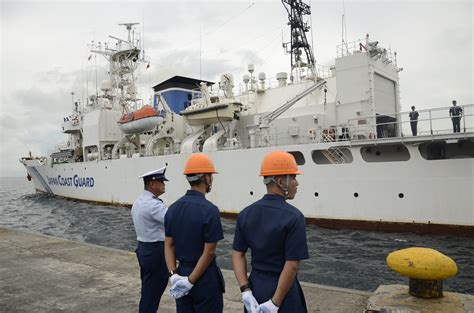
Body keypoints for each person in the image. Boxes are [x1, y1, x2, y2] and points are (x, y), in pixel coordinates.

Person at [232, 151, 309, 313]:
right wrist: (275, 303)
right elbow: (292, 265)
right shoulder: (294, 217)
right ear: (281, 182)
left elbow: (238, 254)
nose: (297, 183)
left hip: (255, 288)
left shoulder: (246, 213)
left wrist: (245, 290)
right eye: (293, 177)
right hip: (283, 291)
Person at [164, 153, 225, 313]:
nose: (211, 179)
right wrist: (191, 281)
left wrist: (174, 275)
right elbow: (209, 252)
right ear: (205, 177)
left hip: (182, 272)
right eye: (210, 176)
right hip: (204, 278)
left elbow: (169, 245)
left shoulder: (173, 208)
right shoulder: (210, 210)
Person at [131, 166, 170, 313]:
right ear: (152, 184)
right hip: (156, 251)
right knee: (153, 292)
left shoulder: (139, 201)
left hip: (144, 248)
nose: (164, 184)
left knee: (148, 290)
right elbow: (172, 221)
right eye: (161, 181)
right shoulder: (153, 205)